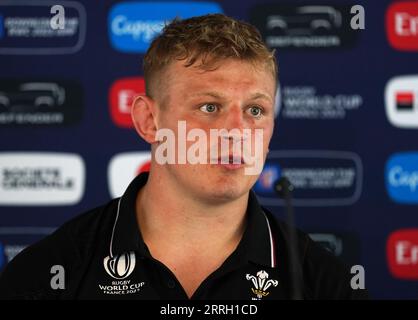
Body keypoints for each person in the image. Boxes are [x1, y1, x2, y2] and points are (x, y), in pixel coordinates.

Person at [0, 14, 367, 300]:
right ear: (148, 120)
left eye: (255, 110)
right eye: (210, 106)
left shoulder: (325, 284)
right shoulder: (51, 272)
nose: (237, 131)